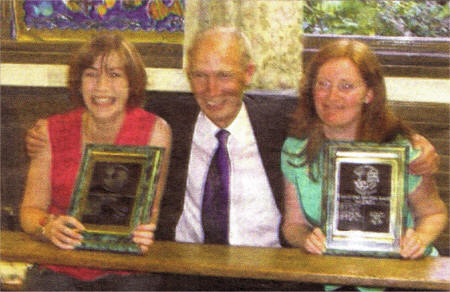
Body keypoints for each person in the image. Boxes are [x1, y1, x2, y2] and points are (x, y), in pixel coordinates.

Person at [26, 27, 439, 291]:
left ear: (248, 73)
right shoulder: (166, 123)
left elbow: (344, 124)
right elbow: (108, 110)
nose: (211, 89)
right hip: (188, 272)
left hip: (268, 275)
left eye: (224, 74)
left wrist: (416, 146)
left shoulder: (282, 121)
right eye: (199, 75)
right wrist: (42, 135)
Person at [281, 39, 447, 290]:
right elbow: (292, 226)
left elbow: (433, 213)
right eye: (322, 84)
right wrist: (307, 239)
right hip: (333, 277)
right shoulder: (295, 149)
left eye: (346, 86)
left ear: (369, 94)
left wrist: (420, 239)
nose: (331, 96)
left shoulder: (403, 149)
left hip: (400, 275)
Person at [20, 33, 171, 291]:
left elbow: (151, 212)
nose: (101, 87)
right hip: (60, 264)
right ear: (78, 82)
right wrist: (48, 226)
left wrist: (148, 231)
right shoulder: (49, 131)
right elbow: (29, 211)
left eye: (114, 75)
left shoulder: (155, 131)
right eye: (91, 74)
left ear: (131, 83)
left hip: (125, 270)